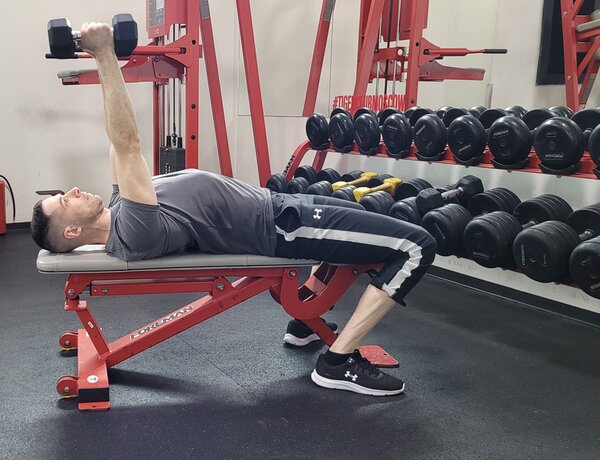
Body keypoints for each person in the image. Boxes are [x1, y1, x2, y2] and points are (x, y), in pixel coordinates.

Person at [31, 21, 437, 396]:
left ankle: (305, 323)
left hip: (283, 206)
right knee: (415, 246)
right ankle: (337, 363)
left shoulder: (119, 207)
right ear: (72, 232)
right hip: (283, 225)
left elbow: (114, 137)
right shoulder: (133, 230)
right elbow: (127, 144)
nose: (74, 190)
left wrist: (101, 58)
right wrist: (105, 54)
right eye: (65, 200)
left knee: (364, 225)